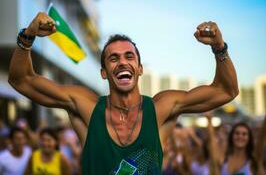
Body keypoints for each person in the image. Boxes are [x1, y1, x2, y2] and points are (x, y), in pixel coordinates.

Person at [8, 12, 238, 174]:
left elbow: (226, 90)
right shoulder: (86, 108)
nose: (122, 62)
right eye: (113, 58)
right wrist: (27, 37)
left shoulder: (161, 108)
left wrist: (219, 47)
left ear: (139, 69)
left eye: (129, 57)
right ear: (104, 72)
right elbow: (22, 80)